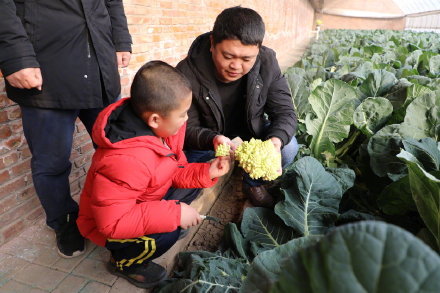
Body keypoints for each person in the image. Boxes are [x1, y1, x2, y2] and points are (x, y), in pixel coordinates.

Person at [77, 61, 231, 289]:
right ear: (155, 119)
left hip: (141, 199)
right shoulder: (125, 161)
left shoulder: (164, 131)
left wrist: (206, 171)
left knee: (192, 188)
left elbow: (173, 169)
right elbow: (112, 224)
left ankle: (161, 227)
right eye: (182, 114)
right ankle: (123, 262)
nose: (187, 119)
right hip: (112, 223)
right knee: (167, 234)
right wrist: (174, 214)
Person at [0, 1, 132, 258]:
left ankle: (120, 208)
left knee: (120, 148)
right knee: (52, 162)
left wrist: (121, 38)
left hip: (100, 64)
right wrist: (14, 56)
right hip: (46, 69)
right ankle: (64, 220)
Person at [176, 6, 298, 207]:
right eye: (228, 56)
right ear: (212, 43)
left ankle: (252, 184)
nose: (236, 66)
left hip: (252, 134)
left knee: (288, 147)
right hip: (210, 141)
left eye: (246, 59)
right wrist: (213, 139)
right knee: (179, 181)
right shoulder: (186, 73)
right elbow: (185, 128)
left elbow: (285, 112)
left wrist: (274, 143)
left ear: (258, 51)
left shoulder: (267, 62)